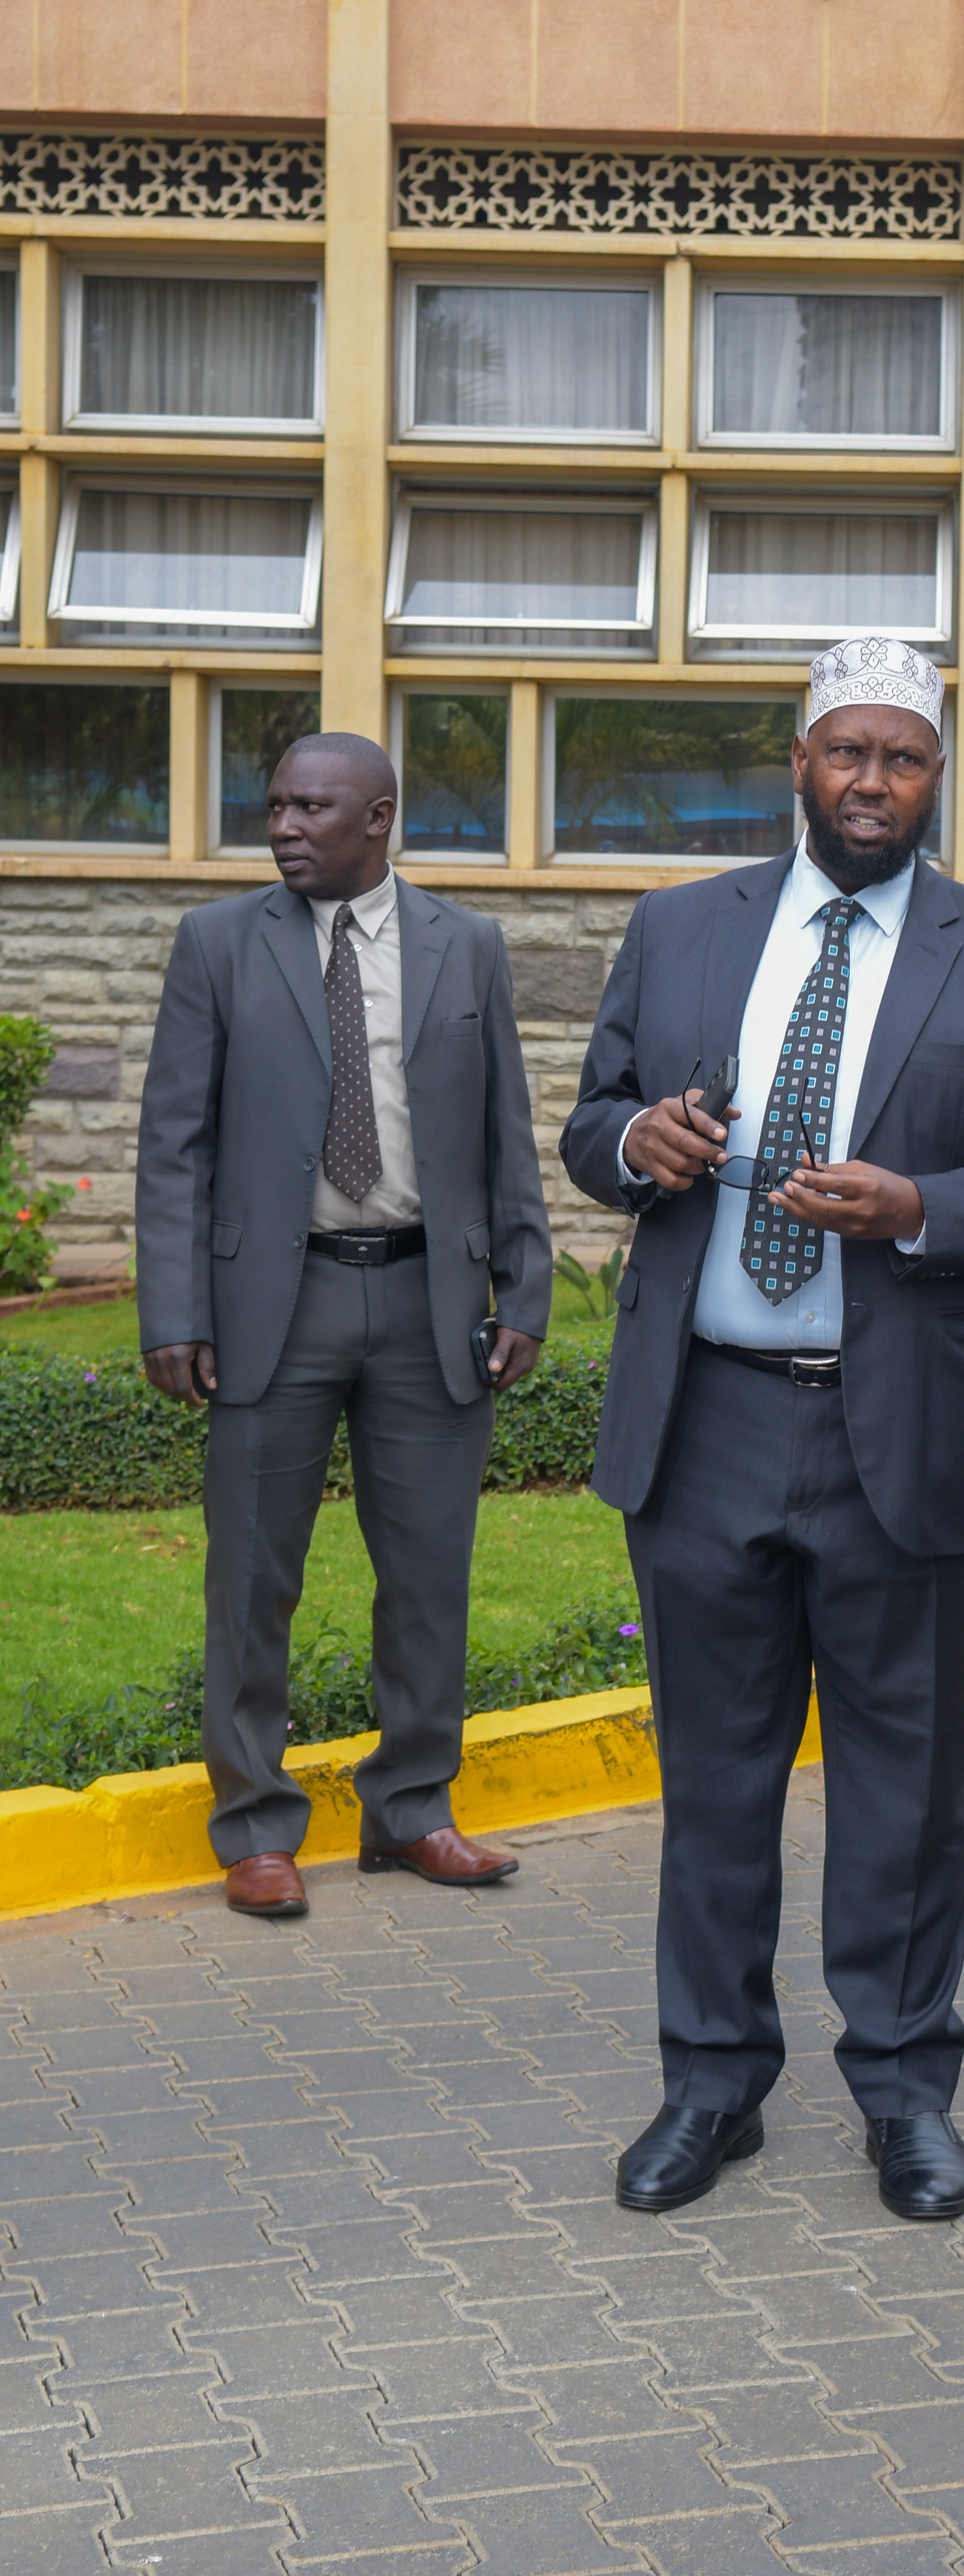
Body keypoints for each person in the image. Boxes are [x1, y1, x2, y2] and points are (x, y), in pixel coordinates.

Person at [560, 638, 964, 2229]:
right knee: (715, 1781)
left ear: (936, 778)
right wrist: (638, 1142)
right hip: (708, 1420)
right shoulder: (678, 929)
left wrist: (917, 1203)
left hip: (904, 1428)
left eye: (903, 758)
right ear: (798, 761)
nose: (873, 781)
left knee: (903, 1787)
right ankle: (711, 2082)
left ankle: (905, 2090)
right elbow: (589, 1122)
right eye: (847, 751)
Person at [135, 735, 553, 1922]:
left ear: (379, 819)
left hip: (428, 1302)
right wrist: (175, 1309)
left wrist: (522, 1288)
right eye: (275, 805)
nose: (282, 826)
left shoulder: (466, 945)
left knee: (428, 1577)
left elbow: (505, 1126)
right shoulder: (218, 943)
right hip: (274, 1305)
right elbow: (174, 1142)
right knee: (251, 1576)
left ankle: (412, 1807)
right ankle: (256, 1827)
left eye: (310, 808)